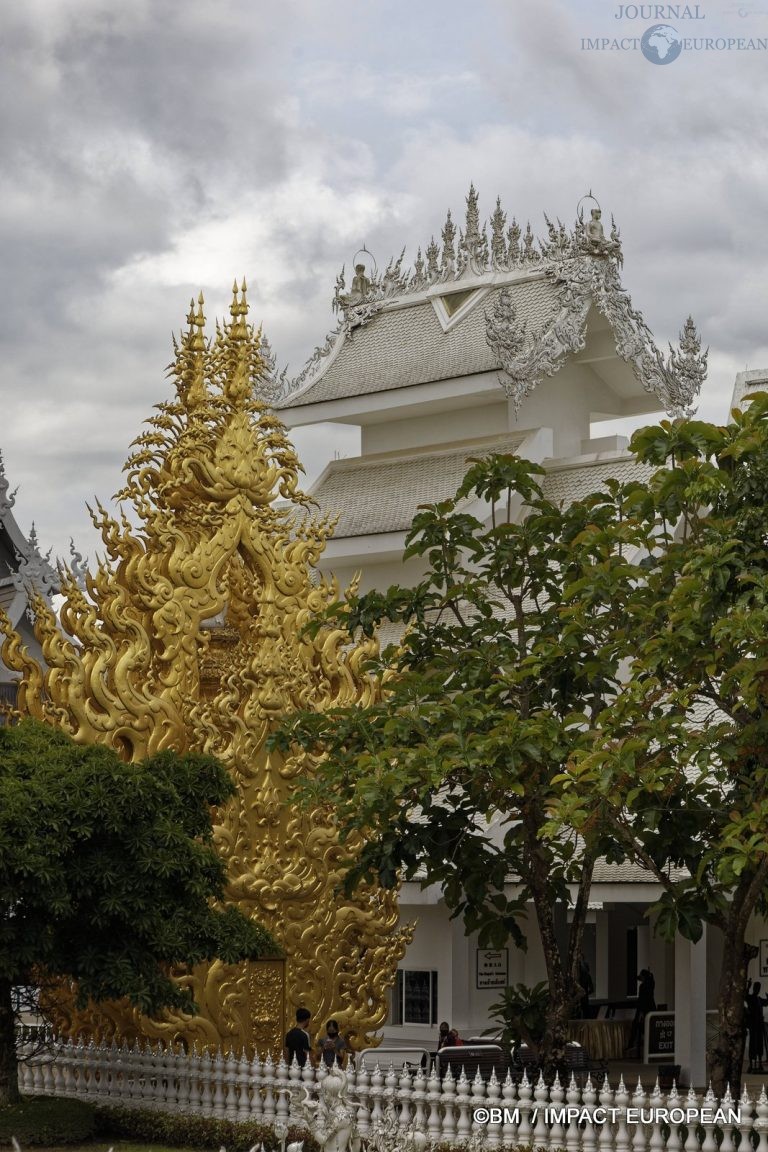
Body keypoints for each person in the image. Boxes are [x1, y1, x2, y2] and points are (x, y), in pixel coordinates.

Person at [627, 968, 656, 1051]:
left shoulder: (643, 986)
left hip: (643, 1009)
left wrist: (640, 1013)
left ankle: (631, 1044)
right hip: (651, 1008)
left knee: (635, 1025)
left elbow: (641, 1000)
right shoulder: (652, 984)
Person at [745, 981, 768, 1073]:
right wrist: (748, 987)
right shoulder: (750, 998)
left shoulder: (759, 999)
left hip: (759, 1026)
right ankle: (751, 1065)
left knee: (759, 1045)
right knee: (753, 1045)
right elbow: (745, 996)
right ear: (754, 988)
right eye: (756, 988)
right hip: (754, 1026)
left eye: (759, 988)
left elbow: (766, 1002)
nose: (757, 990)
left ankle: (759, 1064)